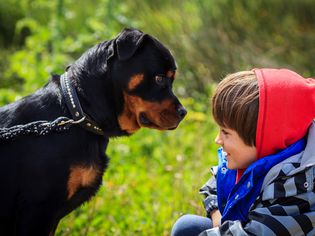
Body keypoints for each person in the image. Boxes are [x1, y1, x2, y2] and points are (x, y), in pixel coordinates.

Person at [171, 68, 315, 236]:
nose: (217, 140)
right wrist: (217, 217)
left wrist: (219, 230)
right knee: (187, 227)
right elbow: (217, 184)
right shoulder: (252, 158)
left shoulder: (296, 185)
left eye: (226, 133)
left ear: (264, 137)